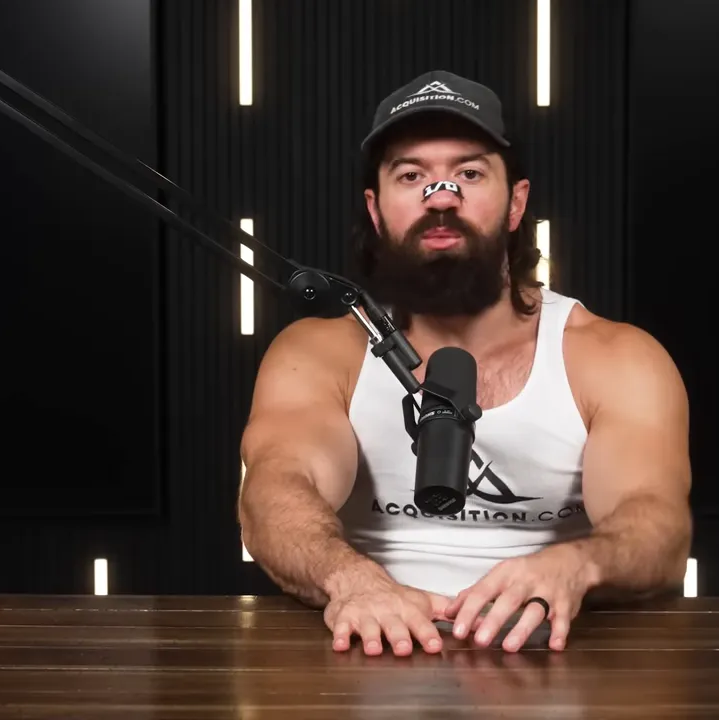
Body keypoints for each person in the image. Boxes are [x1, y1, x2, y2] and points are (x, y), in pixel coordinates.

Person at [238, 70, 692, 656]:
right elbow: (275, 488)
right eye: (412, 176)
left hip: (550, 658)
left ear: (515, 204)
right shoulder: (318, 353)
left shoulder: (616, 357)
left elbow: (656, 523)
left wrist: (576, 566)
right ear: (376, 210)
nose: (442, 197)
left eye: (469, 173)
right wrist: (349, 580)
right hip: (366, 647)